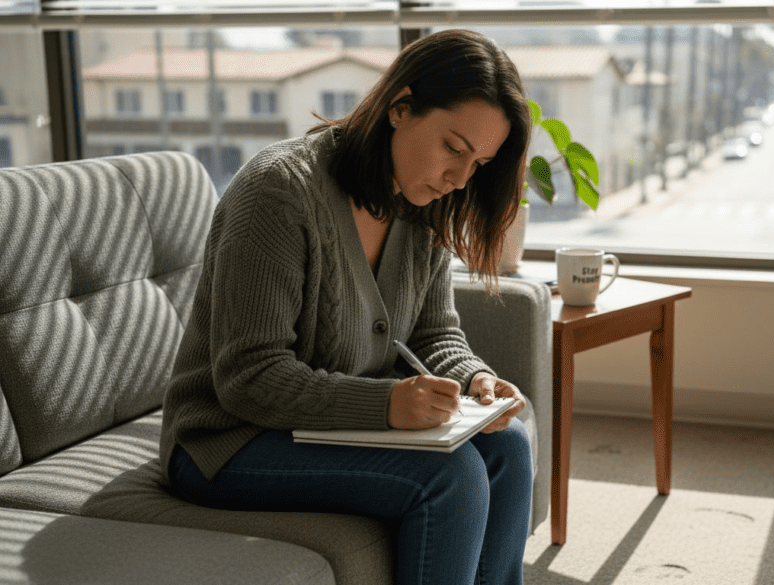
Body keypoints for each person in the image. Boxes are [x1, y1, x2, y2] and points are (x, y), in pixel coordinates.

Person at [159, 29, 534, 585]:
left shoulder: (423, 204)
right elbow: (247, 378)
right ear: (400, 108)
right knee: (451, 475)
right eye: (454, 148)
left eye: (478, 163)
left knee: (509, 447)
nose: (460, 178)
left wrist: (475, 380)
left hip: (326, 430)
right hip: (228, 440)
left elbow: (434, 335)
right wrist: (386, 405)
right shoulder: (279, 192)